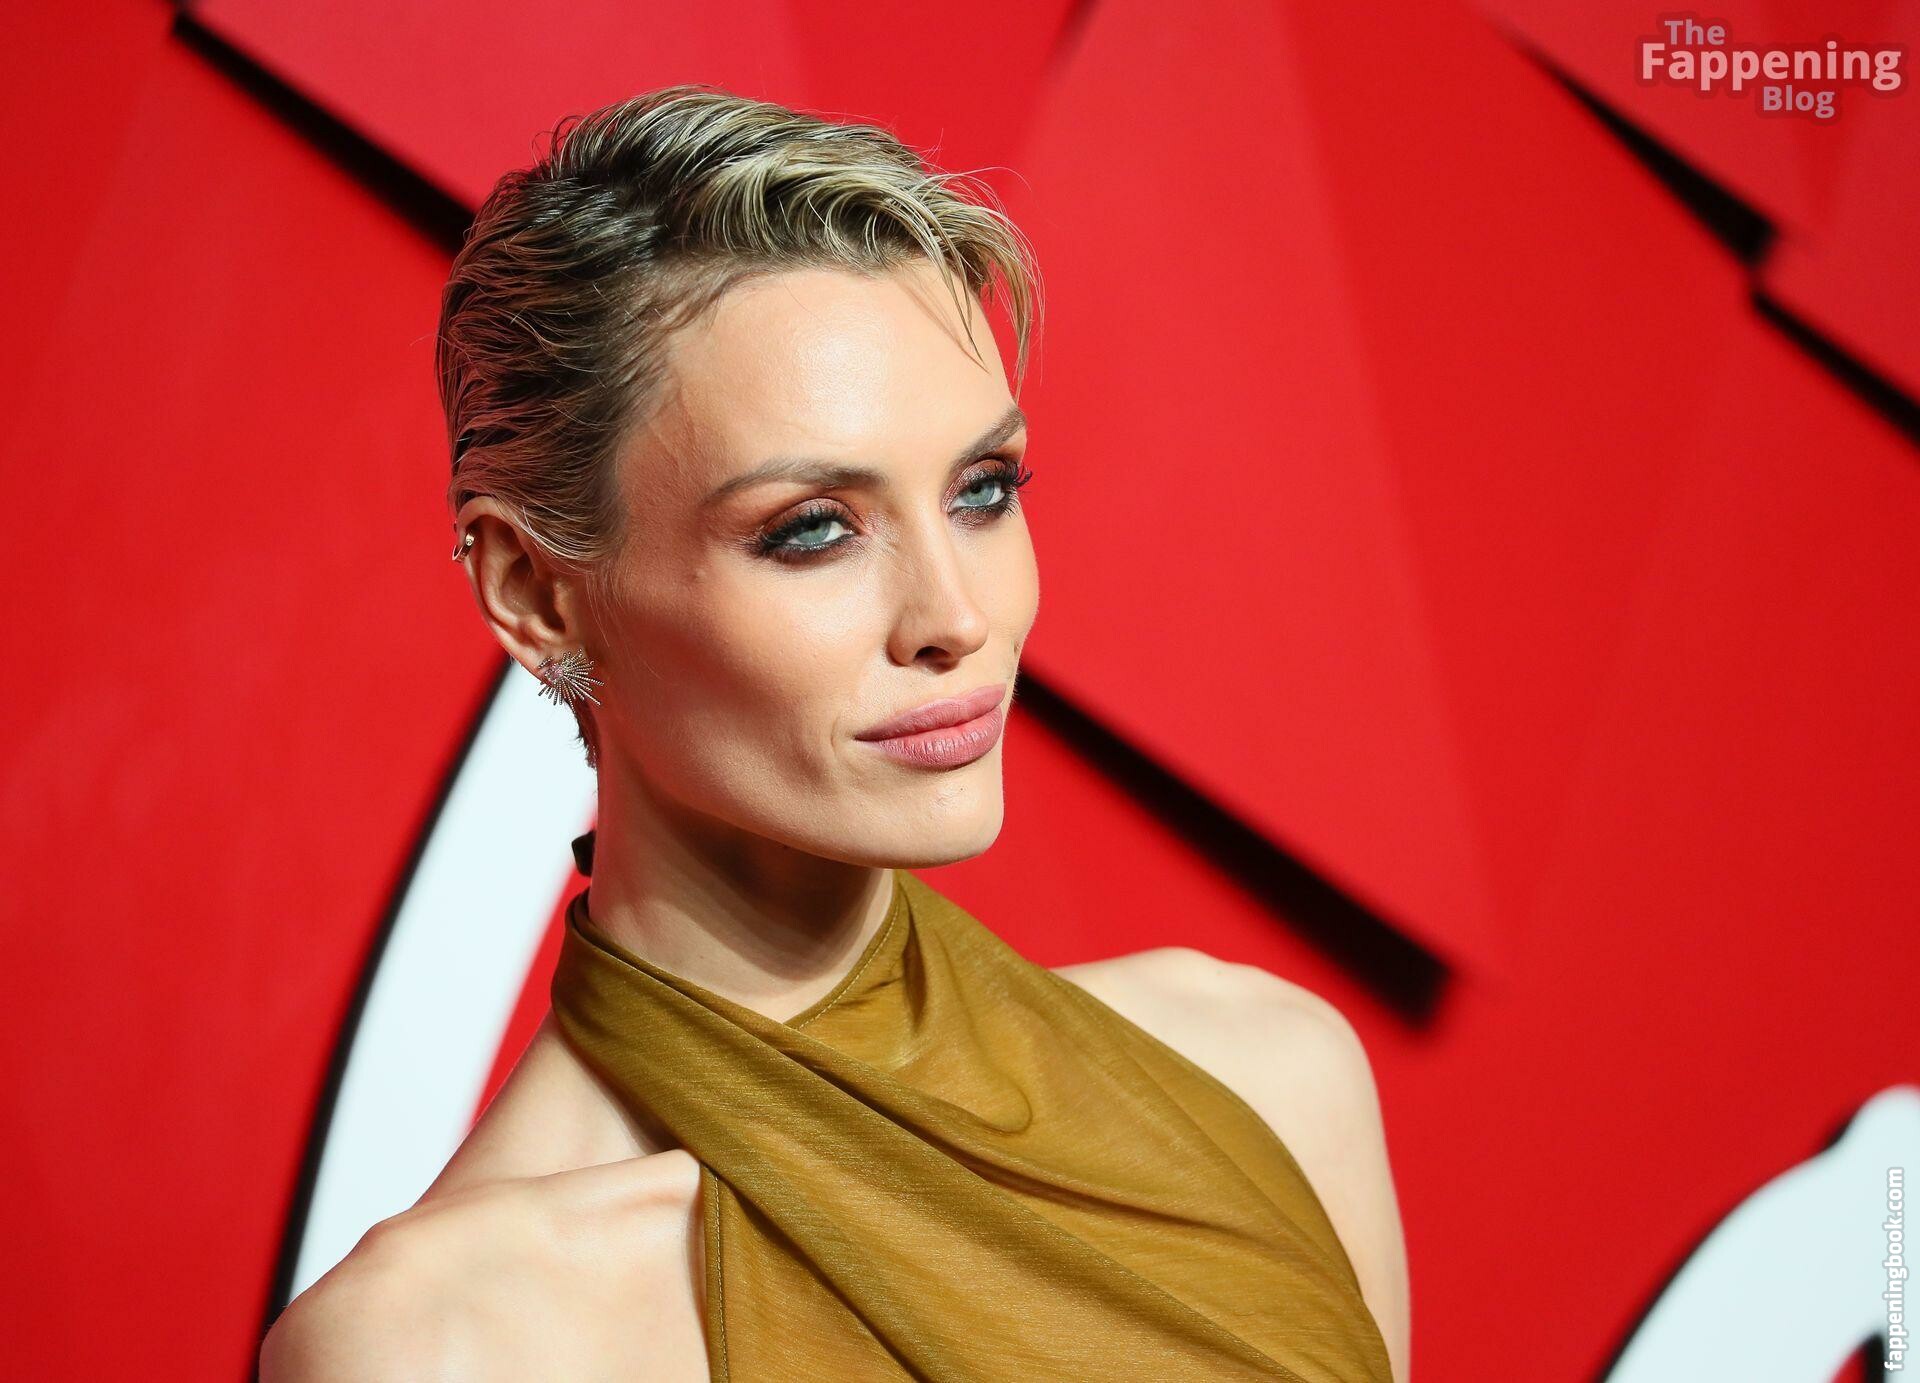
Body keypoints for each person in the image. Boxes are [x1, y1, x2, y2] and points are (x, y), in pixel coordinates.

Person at [260, 83, 1410, 1382]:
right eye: (812, 529)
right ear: (536, 591)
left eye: (984, 491)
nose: (955, 617)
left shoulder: (1268, 1076)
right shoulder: (448, 1348)